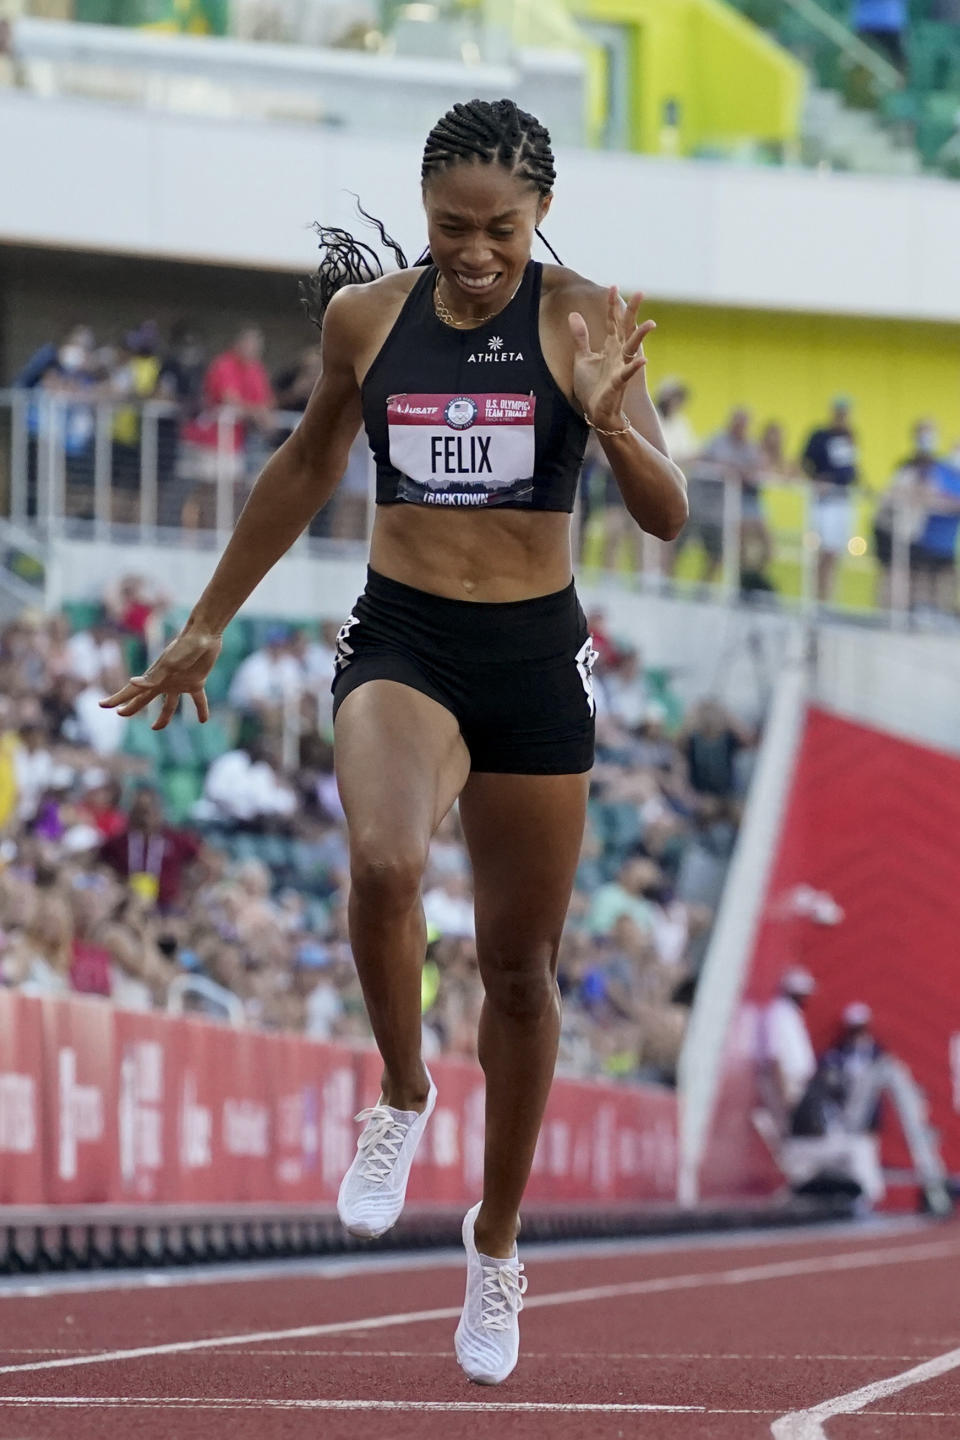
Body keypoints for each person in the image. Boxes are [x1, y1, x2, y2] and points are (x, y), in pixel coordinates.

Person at [101, 97, 687, 1385]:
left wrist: (603, 418)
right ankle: (404, 1091)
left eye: (502, 229)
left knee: (522, 971)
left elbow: (666, 516)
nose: (475, 253)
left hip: (534, 663)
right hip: (403, 638)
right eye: (450, 228)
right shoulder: (368, 319)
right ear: (421, 217)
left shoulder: (583, 315)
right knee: (381, 865)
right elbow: (307, 467)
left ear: (544, 216)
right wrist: (206, 622)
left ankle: (496, 1243)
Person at [801, 398, 859, 603]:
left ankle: (827, 596)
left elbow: (850, 471)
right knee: (821, 551)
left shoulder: (849, 438)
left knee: (834, 552)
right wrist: (819, 480)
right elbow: (806, 462)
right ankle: (817, 596)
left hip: (841, 501)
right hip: (823, 502)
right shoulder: (820, 436)